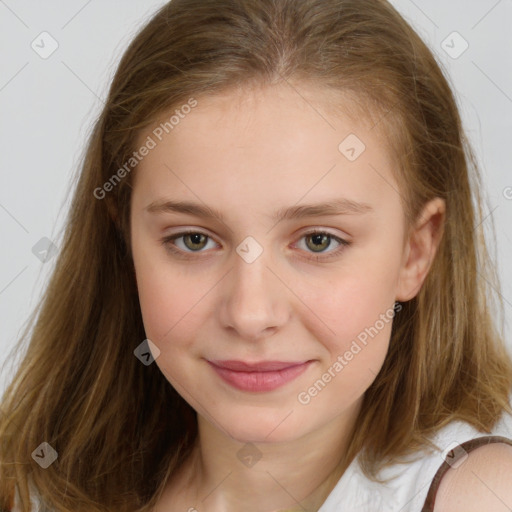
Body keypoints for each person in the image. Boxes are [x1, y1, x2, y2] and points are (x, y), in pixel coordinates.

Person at [2, 0, 512, 510]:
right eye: (193, 240)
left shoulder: (480, 497)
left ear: (415, 252)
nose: (250, 314)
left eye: (318, 241)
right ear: (124, 238)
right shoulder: (30, 489)